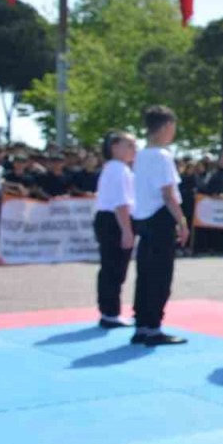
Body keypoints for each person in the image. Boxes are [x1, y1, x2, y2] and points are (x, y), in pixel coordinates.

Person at [130, 106, 190, 346]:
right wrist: (182, 221)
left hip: (143, 217)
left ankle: (142, 324)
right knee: (161, 274)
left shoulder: (141, 155)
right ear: (166, 126)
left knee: (145, 273)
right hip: (160, 217)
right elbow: (168, 193)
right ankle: (154, 326)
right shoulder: (162, 156)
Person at [93, 131, 137, 329]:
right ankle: (110, 312)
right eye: (128, 145)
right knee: (114, 268)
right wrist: (126, 230)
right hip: (115, 221)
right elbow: (121, 203)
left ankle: (108, 311)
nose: (133, 150)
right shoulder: (119, 169)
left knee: (110, 267)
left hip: (109, 220)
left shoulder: (114, 168)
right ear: (114, 147)